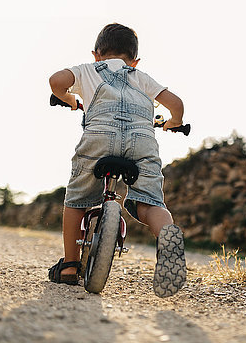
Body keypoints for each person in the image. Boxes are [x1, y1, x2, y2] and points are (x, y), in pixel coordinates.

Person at [47, 23, 186, 298]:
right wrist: (174, 122)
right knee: (150, 203)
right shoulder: (142, 77)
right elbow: (177, 103)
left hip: (99, 138)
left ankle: (70, 265)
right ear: (134, 60)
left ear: (96, 54)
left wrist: (70, 98)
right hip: (142, 142)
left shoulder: (89, 69)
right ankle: (167, 233)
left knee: (77, 198)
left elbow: (55, 81)